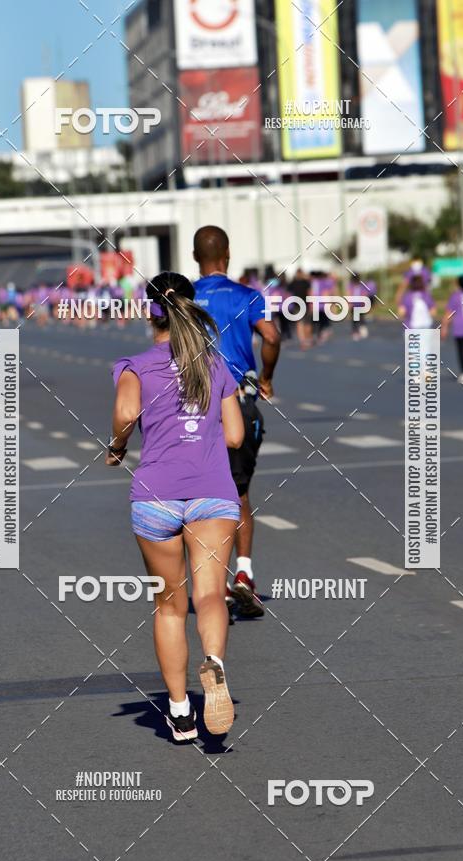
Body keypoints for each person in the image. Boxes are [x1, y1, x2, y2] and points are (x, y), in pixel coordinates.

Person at [108, 271, 245, 741]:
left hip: (155, 496)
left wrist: (119, 445)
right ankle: (216, 661)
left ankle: (182, 712)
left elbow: (126, 414)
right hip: (212, 492)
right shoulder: (214, 364)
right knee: (210, 596)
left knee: (169, 606)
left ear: (151, 312)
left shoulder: (135, 365)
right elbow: (234, 435)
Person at [193, 225, 281, 619]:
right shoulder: (248, 296)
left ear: (197, 258)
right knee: (239, 492)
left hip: (194, 407)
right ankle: (244, 574)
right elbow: (272, 336)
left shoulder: (184, 299)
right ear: (226, 254)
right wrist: (266, 377)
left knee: (198, 497)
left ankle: (210, 582)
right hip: (240, 404)